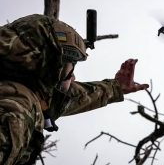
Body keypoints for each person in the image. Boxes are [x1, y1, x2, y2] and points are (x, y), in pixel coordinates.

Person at [0, 14, 149, 165]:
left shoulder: (17, 88)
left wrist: (115, 87)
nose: (73, 78)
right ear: (51, 66)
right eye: (70, 68)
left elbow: (72, 96)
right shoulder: (15, 107)